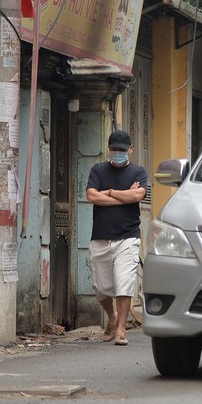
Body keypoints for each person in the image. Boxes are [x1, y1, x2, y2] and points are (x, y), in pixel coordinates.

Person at [86, 129, 148, 346]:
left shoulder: (138, 172)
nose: (117, 153)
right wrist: (124, 196)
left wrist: (109, 192)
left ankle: (121, 328)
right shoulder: (98, 170)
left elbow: (138, 195)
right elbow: (91, 196)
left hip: (128, 237)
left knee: (124, 283)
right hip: (100, 237)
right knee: (100, 288)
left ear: (130, 150)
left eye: (122, 150)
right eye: (114, 149)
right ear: (108, 149)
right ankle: (111, 316)